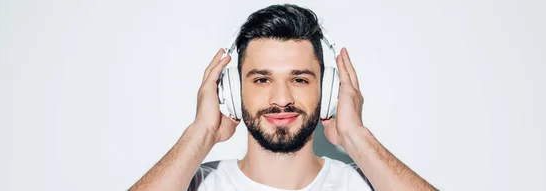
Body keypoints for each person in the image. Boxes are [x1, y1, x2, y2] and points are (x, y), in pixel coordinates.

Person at [130, 4, 437, 191]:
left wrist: (356, 137)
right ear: (232, 92)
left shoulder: (367, 184)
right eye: (262, 79)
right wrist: (201, 133)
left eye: (299, 79)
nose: (281, 98)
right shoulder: (195, 184)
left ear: (328, 90)